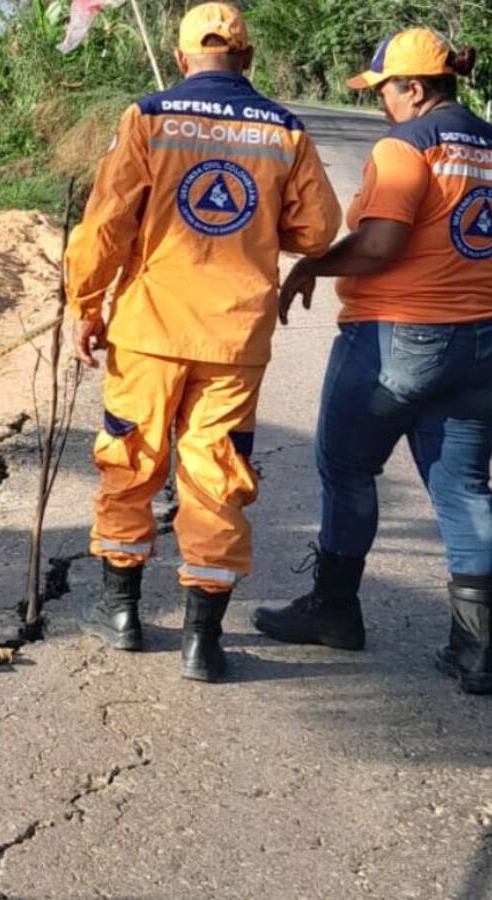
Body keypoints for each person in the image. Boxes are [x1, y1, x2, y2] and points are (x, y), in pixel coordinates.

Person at [65, 2, 341, 682]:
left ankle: (122, 615)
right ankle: (202, 643)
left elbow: (105, 226)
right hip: (235, 338)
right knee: (216, 476)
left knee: (131, 461)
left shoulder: (149, 118)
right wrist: (257, 227)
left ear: (184, 57)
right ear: (246, 60)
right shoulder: (285, 131)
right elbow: (316, 232)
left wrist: (85, 305)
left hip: (149, 331)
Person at [254, 29, 492, 695]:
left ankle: (334, 609)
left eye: (385, 88)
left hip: (397, 336)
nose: (382, 101)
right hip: (481, 343)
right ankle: (478, 650)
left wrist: (314, 265)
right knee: (465, 490)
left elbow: (381, 244)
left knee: (349, 470)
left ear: (414, 88)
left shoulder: (406, 146)